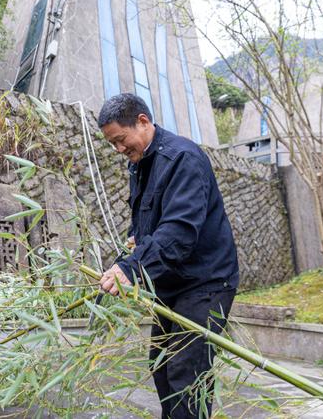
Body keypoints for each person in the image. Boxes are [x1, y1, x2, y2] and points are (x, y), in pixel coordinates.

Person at [97, 93, 239, 419]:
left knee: (186, 373)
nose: (119, 149)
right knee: (160, 365)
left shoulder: (183, 159)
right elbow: (149, 223)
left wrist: (132, 268)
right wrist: (135, 244)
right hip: (171, 283)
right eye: (112, 144)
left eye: (121, 139)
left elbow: (178, 232)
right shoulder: (141, 164)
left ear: (143, 122)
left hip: (206, 281)